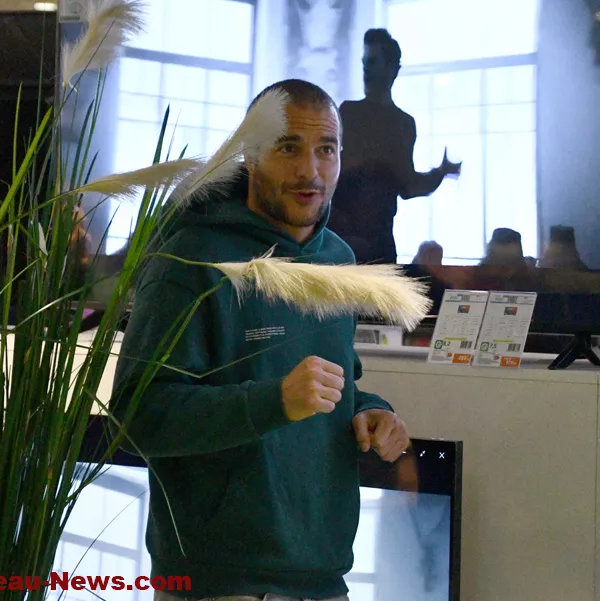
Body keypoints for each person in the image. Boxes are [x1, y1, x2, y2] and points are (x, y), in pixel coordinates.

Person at [110, 79, 410, 601]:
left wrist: (371, 411)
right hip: (219, 584)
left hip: (325, 577)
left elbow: (334, 386)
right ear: (250, 155)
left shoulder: (338, 260)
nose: (310, 170)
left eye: (327, 150)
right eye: (288, 148)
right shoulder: (190, 257)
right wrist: (274, 402)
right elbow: (137, 418)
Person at [328, 28, 461, 265]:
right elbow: (407, 185)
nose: (365, 70)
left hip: (375, 243)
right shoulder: (350, 112)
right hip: (344, 241)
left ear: (392, 69)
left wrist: (440, 172)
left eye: (372, 62)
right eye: (364, 63)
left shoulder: (401, 123)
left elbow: (408, 186)